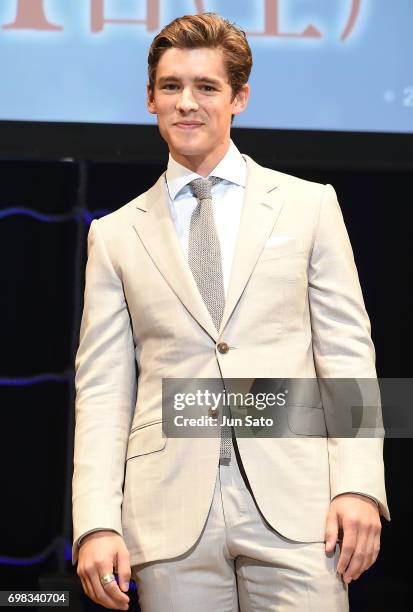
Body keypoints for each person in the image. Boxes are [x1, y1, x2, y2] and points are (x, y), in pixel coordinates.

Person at [72, 12, 389, 611]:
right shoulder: (115, 234)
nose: (186, 103)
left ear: (239, 97)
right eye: (171, 87)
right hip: (167, 514)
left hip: (299, 505)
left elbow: (347, 352)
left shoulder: (308, 206)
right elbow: (103, 389)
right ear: (149, 100)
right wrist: (94, 521)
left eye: (206, 87)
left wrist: (360, 486)